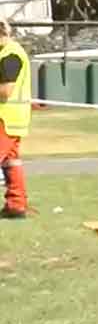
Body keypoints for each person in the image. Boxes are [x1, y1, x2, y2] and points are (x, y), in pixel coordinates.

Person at [0, 19, 31, 218]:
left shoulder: (10, 55)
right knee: (11, 162)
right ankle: (16, 205)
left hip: (5, 118)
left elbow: (6, 91)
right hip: (12, 119)